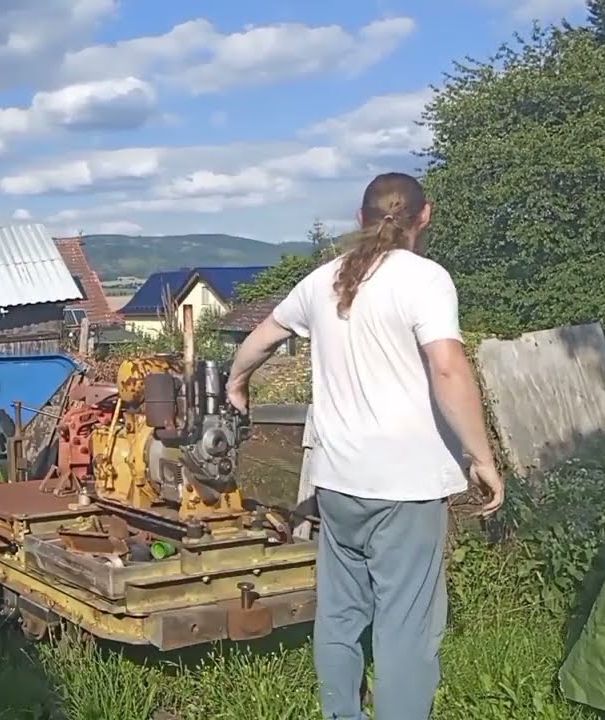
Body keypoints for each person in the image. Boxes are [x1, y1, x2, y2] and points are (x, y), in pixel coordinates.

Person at [225, 172, 503, 720]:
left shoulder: (323, 280)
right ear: (425, 216)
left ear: (360, 217)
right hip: (406, 486)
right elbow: (447, 368)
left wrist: (236, 383)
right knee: (407, 625)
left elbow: (260, 339)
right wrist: (482, 458)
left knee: (340, 617)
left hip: (338, 482)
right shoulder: (425, 279)